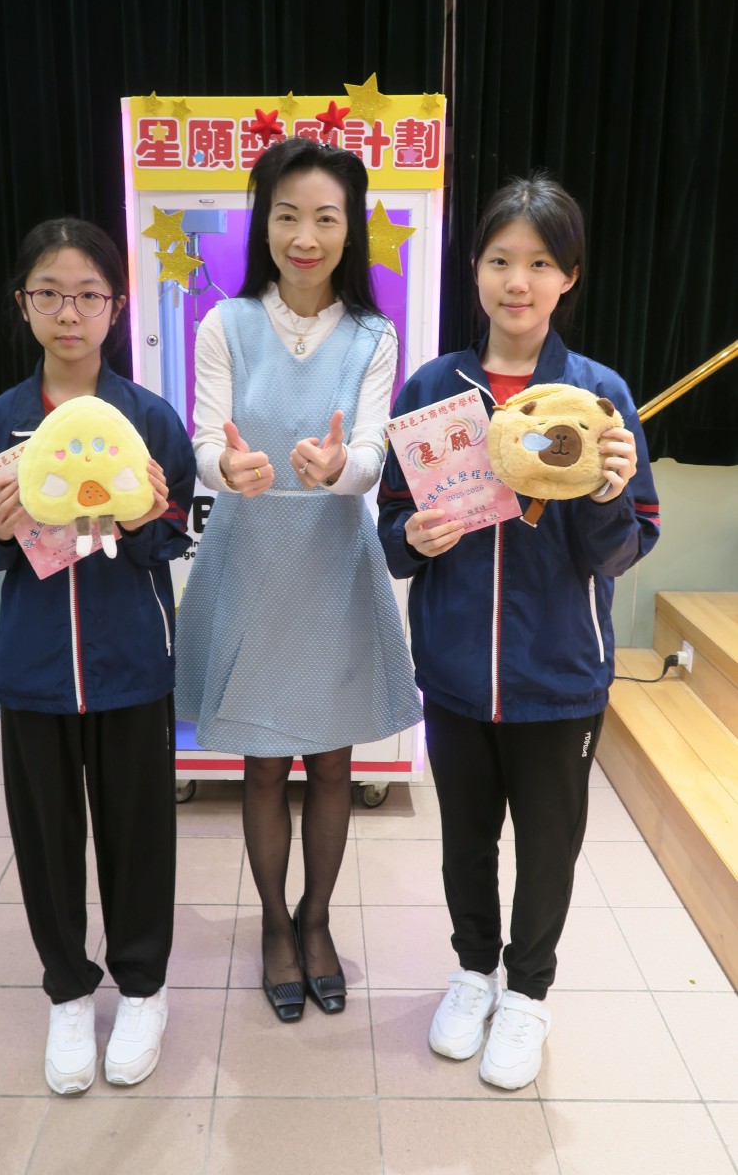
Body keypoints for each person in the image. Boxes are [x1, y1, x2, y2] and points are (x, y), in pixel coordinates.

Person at [378, 175, 660, 1089]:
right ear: (474, 268)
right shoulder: (433, 390)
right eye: (500, 260)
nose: (517, 282)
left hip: (559, 675)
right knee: (465, 839)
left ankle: (528, 992)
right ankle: (472, 972)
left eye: (539, 264)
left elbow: (623, 550)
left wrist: (607, 492)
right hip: (455, 672)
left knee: (547, 847)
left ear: (567, 277)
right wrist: (413, 538)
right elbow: (391, 530)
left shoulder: (597, 397)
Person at [175, 137, 422, 1022]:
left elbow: (370, 453)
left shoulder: (372, 335)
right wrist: (226, 468)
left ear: (350, 229)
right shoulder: (225, 324)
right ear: (263, 224)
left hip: (331, 561)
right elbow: (205, 439)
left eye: (325, 218)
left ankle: (316, 921)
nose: (305, 236)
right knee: (262, 763)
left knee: (330, 762)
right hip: (250, 555)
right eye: (286, 216)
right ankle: (274, 926)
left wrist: (335, 469)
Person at [0, 218, 196, 1094]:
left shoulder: (148, 419)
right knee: (47, 839)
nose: (69, 313)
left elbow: (175, 531)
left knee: (138, 834)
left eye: (88, 295)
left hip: (131, 665)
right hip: (35, 670)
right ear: (22, 304)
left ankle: (143, 989)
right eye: (49, 294)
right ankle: (66, 992)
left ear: (116, 308)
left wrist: (143, 519)